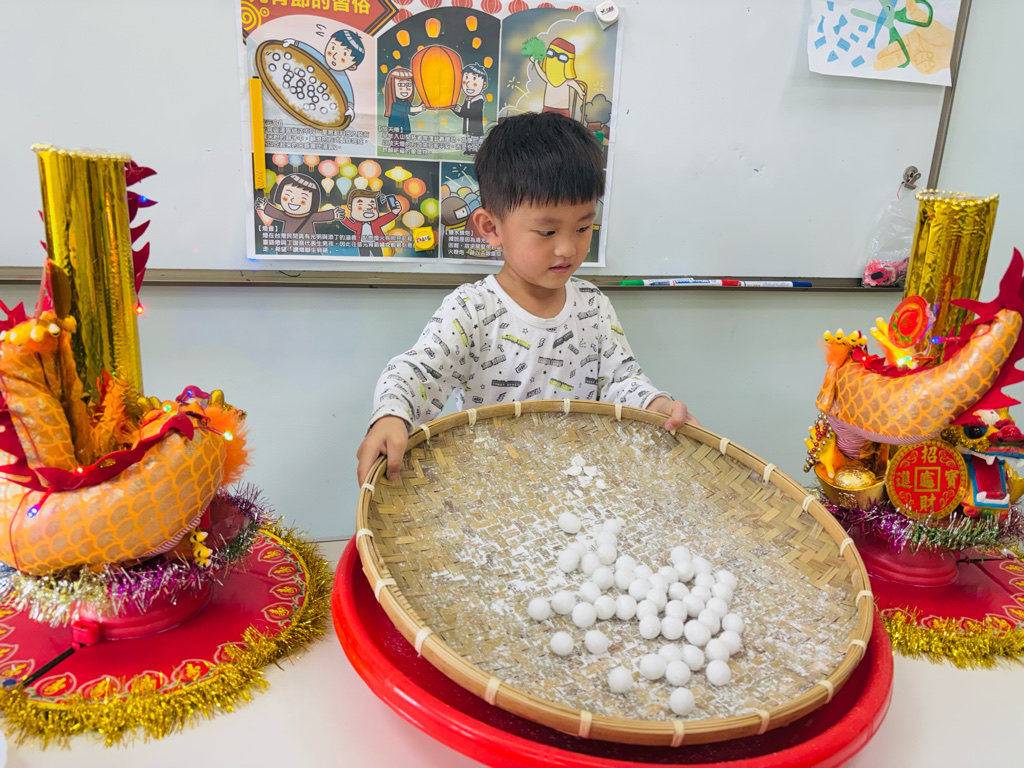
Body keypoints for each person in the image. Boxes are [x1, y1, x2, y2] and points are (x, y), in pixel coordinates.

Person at [356, 112, 697, 484]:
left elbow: (620, 380)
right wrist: (391, 415)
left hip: (577, 479)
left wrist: (654, 403)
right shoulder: (472, 310)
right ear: (491, 228)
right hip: (493, 483)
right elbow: (418, 372)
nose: (568, 249)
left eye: (583, 227)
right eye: (547, 232)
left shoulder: (593, 304)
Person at [284, 29, 365, 121]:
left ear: (352, 67)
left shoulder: (342, 78)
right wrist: (295, 43)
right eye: (333, 48)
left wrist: (350, 108)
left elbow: (348, 92)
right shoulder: (320, 59)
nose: (334, 56)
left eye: (343, 57)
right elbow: (310, 51)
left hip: (319, 103)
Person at [255, 174, 340, 234]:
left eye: (303, 201)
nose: (293, 200)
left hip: (308, 246)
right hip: (289, 247)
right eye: (286, 197)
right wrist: (264, 206)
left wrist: (334, 214)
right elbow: (276, 213)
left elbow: (322, 216)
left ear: (313, 202)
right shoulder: (285, 215)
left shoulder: (310, 216)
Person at [336, 188, 401, 258]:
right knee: (364, 258)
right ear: (350, 207)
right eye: (361, 204)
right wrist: (342, 218)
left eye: (372, 204)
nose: (368, 207)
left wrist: (395, 212)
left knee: (378, 257)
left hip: (375, 243)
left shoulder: (376, 222)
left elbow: (385, 219)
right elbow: (351, 225)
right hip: (362, 243)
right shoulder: (358, 224)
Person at [383, 67, 424, 135]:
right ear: (391, 86)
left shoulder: (406, 102)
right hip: (395, 131)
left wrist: (422, 105)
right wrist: (418, 108)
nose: (405, 88)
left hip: (405, 130)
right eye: (401, 84)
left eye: (408, 85)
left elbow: (412, 113)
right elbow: (406, 109)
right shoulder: (394, 104)